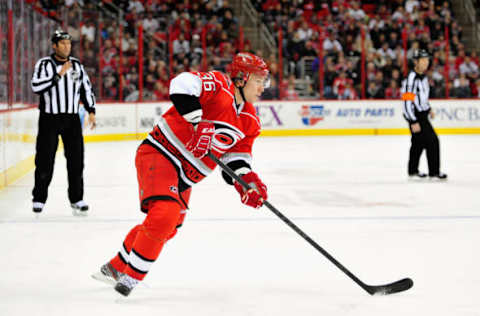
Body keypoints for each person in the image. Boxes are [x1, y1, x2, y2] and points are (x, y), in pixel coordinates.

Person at [92, 52, 270, 296]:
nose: (263, 87)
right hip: (161, 153)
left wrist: (247, 182)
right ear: (241, 78)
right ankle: (130, 279)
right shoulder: (220, 85)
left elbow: (235, 160)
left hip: (186, 177)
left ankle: (114, 268)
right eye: (258, 80)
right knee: (165, 214)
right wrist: (196, 120)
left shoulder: (250, 120)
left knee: (170, 225)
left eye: (264, 81)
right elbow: (182, 84)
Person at [31, 30, 97, 215]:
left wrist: (91, 110)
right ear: (54, 46)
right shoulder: (44, 64)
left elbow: (86, 88)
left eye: (69, 44)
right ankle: (39, 198)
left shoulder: (76, 65)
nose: (67, 47)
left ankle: (77, 198)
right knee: (45, 159)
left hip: (71, 119)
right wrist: (58, 75)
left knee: (76, 160)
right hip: (49, 118)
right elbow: (36, 86)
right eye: (63, 44)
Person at [401, 49, 447, 180]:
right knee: (432, 141)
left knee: (418, 142)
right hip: (416, 115)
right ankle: (434, 173)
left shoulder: (424, 77)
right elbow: (406, 101)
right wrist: (412, 120)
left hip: (422, 113)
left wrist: (429, 108)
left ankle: (413, 171)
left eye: (427, 60)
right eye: (423, 60)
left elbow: (423, 98)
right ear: (415, 62)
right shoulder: (411, 78)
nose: (426, 62)